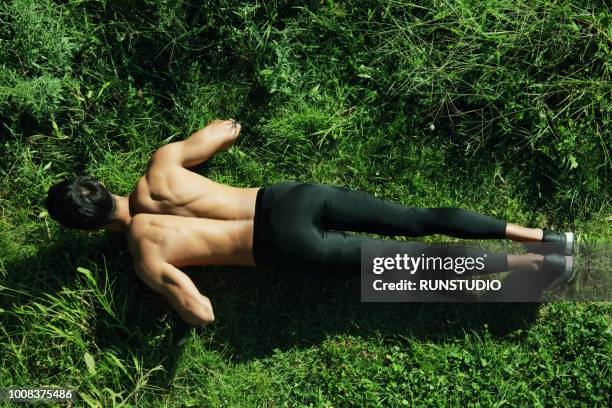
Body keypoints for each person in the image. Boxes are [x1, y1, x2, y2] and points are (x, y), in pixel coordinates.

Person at [45, 119, 574, 326]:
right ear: (98, 186)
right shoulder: (161, 165)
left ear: (89, 228)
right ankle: (546, 238)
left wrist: (161, 297)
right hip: (291, 201)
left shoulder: (145, 254)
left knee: (409, 264)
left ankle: (537, 265)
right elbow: (225, 131)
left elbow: (202, 314)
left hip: (282, 246)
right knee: (417, 219)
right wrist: (217, 137)